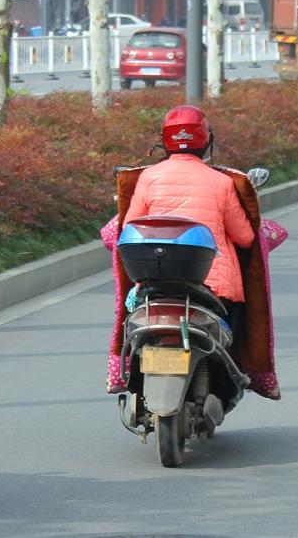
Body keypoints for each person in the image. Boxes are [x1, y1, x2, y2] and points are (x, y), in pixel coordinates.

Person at [105, 104, 256, 392]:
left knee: (133, 324)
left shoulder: (148, 178)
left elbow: (131, 227)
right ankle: (229, 383)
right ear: (207, 140)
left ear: (164, 141)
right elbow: (246, 237)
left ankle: (126, 374)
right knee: (235, 334)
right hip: (213, 284)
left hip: (153, 278)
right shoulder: (223, 183)